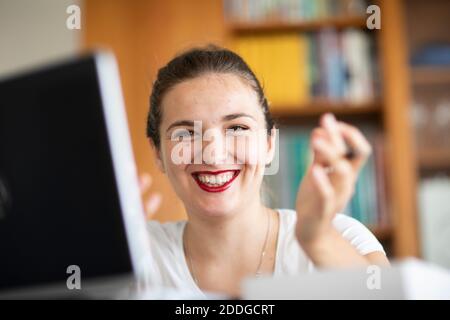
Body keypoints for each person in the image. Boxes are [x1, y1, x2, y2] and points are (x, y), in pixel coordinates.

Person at [140, 45, 389, 297]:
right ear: (158, 153)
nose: (213, 155)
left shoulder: (340, 238)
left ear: (269, 144)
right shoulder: (138, 252)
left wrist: (317, 240)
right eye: (187, 133)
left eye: (237, 128)